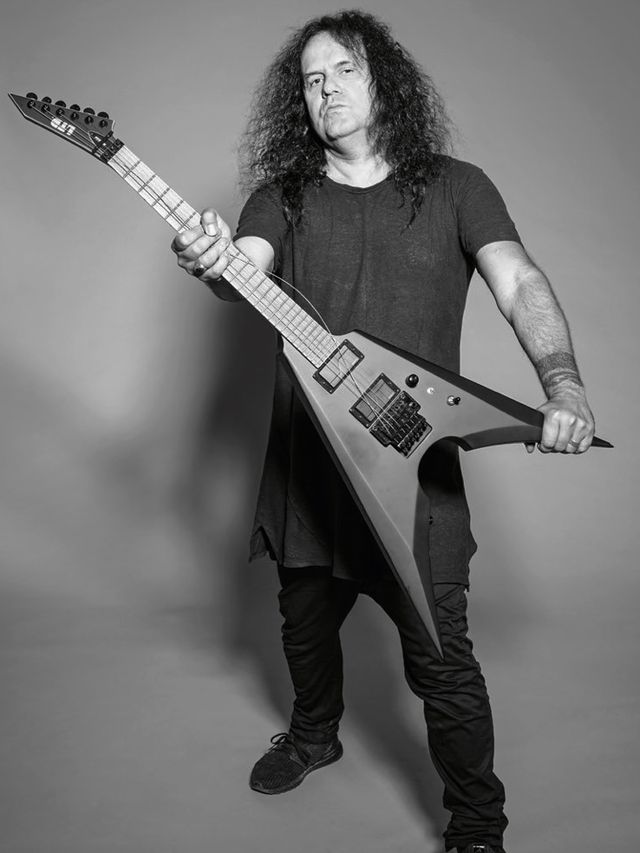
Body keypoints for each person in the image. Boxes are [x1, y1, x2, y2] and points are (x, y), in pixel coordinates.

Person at [170, 11, 595, 853]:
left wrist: (564, 382)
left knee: (444, 663)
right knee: (302, 626)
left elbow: (520, 283)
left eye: (344, 70)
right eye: (310, 79)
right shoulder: (282, 196)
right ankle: (314, 734)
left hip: (414, 477)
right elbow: (244, 269)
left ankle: (477, 826)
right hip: (309, 475)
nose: (325, 90)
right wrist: (213, 259)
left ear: (385, 80)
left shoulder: (458, 187)